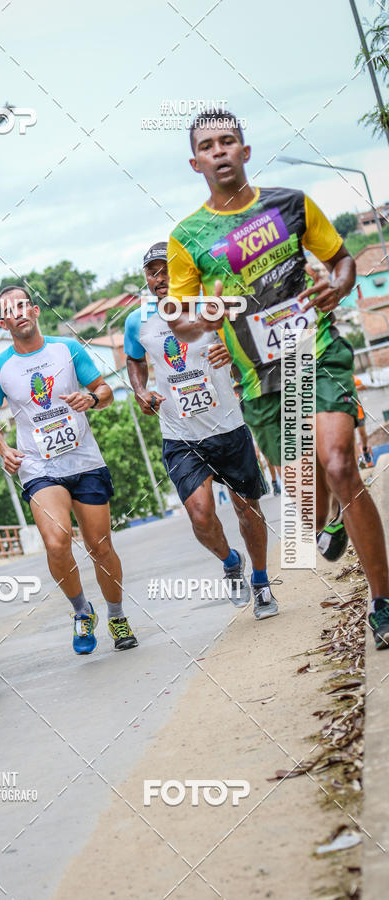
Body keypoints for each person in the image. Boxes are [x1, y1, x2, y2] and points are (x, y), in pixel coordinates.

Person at [165, 108, 389, 649]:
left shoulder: (290, 203)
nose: (219, 151)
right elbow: (179, 317)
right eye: (208, 146)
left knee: (339, 462)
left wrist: (337, 286)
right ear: (195, 163)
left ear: (245, 150)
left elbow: (341, 260)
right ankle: (327, 518)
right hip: (260, 381)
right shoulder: (187, 237)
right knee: (309, 500)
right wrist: (205, 314)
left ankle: (383, 603)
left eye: (228, 141)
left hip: (316, 352)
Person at [0, 286, 138, 654]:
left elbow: (105, 389)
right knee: (56, 541)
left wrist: (92, 398)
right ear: (4, 322)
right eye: (9, 310)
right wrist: (3, 448)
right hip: (38, 466)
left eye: (23, 305)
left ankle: (116, 616)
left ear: (35, 310)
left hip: (84, 460)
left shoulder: (66, 349)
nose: (18, 313)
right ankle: (82, 612)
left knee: (100, 545)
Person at [125, 242, 278, 620]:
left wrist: (230, 354)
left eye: (166, 270)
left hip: (227, 426)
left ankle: (261, 582)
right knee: (201, 515)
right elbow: (133, 358)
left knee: (247, 509)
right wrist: (141, 390)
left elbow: (249, 349)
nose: (159, 278)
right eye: (152, 272)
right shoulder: (137, 320)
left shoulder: (208, 306)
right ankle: (230, 561)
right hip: (180, 435)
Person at [354, 376, 374, 468]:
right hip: (345, 411)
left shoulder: (350, 376)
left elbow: (364, 386)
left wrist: (352, 389)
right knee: (351, 436)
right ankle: (358, 460)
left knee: (362, 434)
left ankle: (365, 450)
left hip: (358, 410)